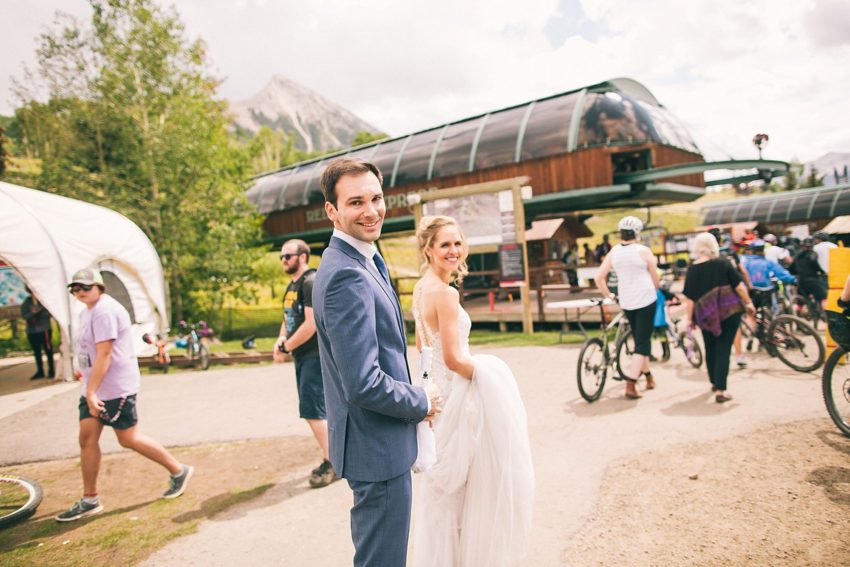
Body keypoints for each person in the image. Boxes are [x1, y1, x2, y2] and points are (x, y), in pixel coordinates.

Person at [312, 158, 443, 567]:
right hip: (376, 448)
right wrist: (422, 401)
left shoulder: (363, 258)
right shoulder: (345, 276)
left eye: (376, 198)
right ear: (332, 211)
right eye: (356, 202)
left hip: (377, 441)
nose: (371, 211)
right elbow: (363, 382)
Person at [410, 215, 534, 566]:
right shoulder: (446, 294)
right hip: (457, 399)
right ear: (429, 249)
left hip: (439, 400)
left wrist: (429, 392)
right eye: (445, 244)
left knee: (445, 493)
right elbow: (452, 359)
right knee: (467, 491)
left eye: (457, 243)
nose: (453, 250)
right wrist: (491, 371)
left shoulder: (421, 288)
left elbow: (423, 349)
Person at [56, 268, 192, 522]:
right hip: (94, 389)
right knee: (87, 438)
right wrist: (88, 386)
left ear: (99, 286)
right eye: (75, 288)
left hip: (114, 388)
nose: (80, 292)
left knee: (128, 438)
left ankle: (178, 469)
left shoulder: (105, 311)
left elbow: (105, 354)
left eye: (86, 287)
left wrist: (91, 390)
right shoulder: (87, 311)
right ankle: (90, 498)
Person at [272, 238, 337, 488]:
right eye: (281, 257)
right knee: (317, 410)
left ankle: (332, 462)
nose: (283, 261)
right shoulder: (292, 285)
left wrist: (287, 347)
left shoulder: (310, 282)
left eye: (287, 256)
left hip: (315, 356)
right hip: (302, 356)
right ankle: (333, 456)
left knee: (313, 411)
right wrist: (281, 340)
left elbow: (310, 324)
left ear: (302, 256)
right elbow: (288, 317)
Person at [683, 233, 755, 403]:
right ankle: (721, 390)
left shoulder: (693, 269)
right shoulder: (723, 263)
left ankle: (715, 382)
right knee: (724, 347)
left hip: (704, 315)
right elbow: (739, 286)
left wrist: (689, 319)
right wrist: (749, 303)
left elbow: (690, 298)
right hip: (729, 312)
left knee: (711, 347)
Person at [595, 216, 659, 399]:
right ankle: (631, 383)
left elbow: (599, 277)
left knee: (639, 338)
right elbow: (655, 277)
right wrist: (655, 287)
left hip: (627, 301)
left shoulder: (614, 252)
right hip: (646, 299)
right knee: (643, 342)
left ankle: (648, 376)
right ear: (637, 233)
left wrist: (609, 295)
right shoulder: (643, 251)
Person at [709, 227, 752, 368]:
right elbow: (743, 271)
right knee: (735, 326)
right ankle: (739, 355)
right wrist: (749, 286)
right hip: (734, 292)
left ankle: (720, 357)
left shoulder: (708, 257)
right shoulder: (730, 253)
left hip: (715, 296)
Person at [741, 239, 796, 313]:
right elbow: (782, 274)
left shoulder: (745, 261)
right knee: (773, 309)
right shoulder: (768, 262)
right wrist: (793, 279)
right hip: (767, 290)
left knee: (750, 313)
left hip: (751, 291)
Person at [20, 287, 55, 379]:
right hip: (32, 331)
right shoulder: (27, 302)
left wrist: (38, 312)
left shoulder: (44, 301)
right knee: (37, 352)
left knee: (48, 350)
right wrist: (33, 313)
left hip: (44, 329)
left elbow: (49, 313)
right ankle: (40, 371)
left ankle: (51, 370)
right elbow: (24, 315)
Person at [793, 238, 827, 306]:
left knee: (801, 300)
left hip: (801, 281)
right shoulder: (812, 254)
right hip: (812, 280)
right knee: (823, 296)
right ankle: (825, 313)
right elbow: (815, 264)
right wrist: (822, 272)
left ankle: (798, 312)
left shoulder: (797, 255)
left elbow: (792, 268)